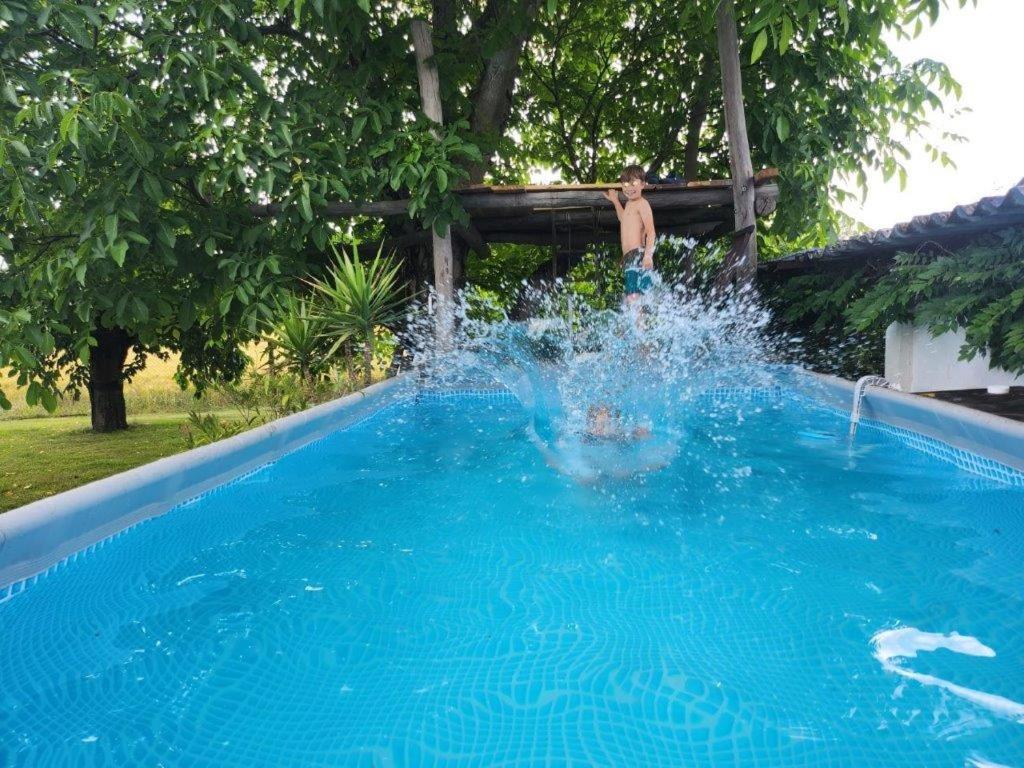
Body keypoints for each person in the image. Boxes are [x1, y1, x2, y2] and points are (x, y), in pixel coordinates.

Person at [603, 164, 657, 302]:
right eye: (625, 184)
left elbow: (651, 232)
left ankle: (644, 317)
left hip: (639, 254)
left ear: (643, 184)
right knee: (633, 298)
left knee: (635, 297)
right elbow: (623, 219)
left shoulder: (642, 203)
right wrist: (615, 201)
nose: (629, 188)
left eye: (633, 183)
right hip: (629, 257)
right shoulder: (628, 204)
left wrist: (648, 256)